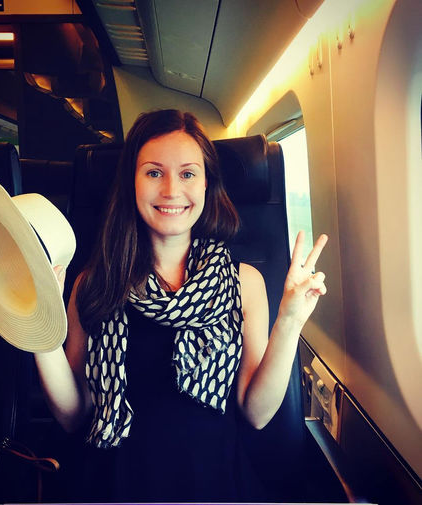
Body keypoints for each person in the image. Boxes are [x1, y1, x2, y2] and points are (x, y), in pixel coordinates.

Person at [35, 109, 328, 502]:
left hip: (213, 483)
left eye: (188, 174)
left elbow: (256, 413)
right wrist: (38, 323)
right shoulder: (94, 282)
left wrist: (290, 320)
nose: (172, 190)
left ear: (206, 183)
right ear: (132, 182)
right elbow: (74, 415)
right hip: (112, 484)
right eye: (154, 172)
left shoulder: (243, 283)